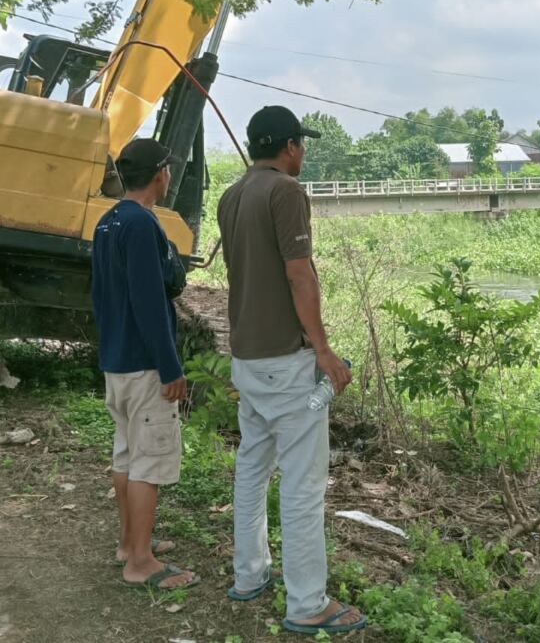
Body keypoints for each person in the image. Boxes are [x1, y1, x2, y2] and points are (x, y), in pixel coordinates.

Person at [216, 105, 367, 636]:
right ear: (287, 147)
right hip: (286, 365)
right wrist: (323, 351)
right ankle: (307, 604)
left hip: (247, 362)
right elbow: (298, 274)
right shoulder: (286, 193)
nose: (303, 152)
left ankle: (249, 576)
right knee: (303, 485)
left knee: (253, 468)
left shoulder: (231, 196)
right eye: (301, 144)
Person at [91, 137, 198, 590]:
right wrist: (170, 367)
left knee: (126, 455)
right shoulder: (141, 224)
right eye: (168, 170)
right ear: (160, 175)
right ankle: (140, 562)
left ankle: (128, 542)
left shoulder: (108, 221)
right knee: (148, 464)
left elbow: (103, 295)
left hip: (117, 361)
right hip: (143, 367)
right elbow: (152, 301)